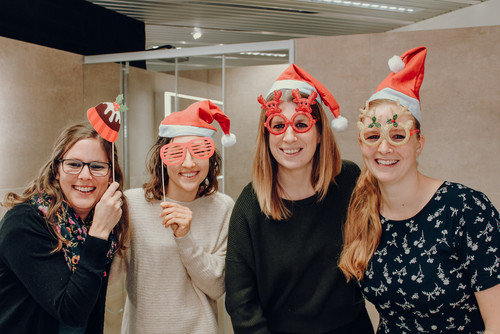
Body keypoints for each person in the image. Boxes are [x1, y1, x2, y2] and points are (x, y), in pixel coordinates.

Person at [338, 46, 500, 333]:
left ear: (419, 144)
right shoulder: (363, 211)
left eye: (398, 136)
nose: (384, 147)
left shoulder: (465, 209)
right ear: (361, 144)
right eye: (373, 135)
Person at [225, 64, 374, 334]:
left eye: (302, 124)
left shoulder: (349, 180)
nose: (289, 136)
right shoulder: (250, 205)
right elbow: (241, 303)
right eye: (278, 125)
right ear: (267, 134)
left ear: (319, 134)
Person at [0, 122, 129, 334]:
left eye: (97, 166)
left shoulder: (102, 222)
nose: (85, 176)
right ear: (56, 171)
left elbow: (91, 308)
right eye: (74, 164)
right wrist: (98, 234)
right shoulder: (24, 224)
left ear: (111, 176)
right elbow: (72, 312)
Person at [119, 100, 236, 334]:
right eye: (176, 153)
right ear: (162, 158)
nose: (189, 163)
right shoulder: (132, 204)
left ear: (211, 157)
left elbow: (216, 286)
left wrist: (185, 237)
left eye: (200, 151)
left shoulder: (223, 207)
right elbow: (110, 276)